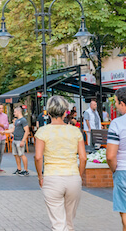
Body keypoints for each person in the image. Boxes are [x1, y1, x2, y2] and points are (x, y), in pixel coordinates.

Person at [35, 95, 87, 231]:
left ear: (49, 112)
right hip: (73, 177)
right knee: (69, 221)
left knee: (58, 223)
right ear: (65, 112)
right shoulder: (75, 131)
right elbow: (83, 158)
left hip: (52, 177)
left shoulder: (42, 132)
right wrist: (79, 175)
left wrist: (40, 176)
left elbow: (38, 157)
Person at [107, 86, 126, 231]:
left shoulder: (117, 123)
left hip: (125, 172)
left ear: (123, 104)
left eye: (117, 103)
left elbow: (111, 156)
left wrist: (115, 170)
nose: (117, 106)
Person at [7, 107, 30, 176]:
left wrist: (23, 141)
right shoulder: (17, 121)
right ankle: (19, 169)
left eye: (14, 112)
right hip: (15, 139)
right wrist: (3, 131)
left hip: (20, 140)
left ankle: (26, 170)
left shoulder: (23, 120)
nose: (14, 113)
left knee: (22, 154)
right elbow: (13, 129)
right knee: (16, 155)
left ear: (18, 112)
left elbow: (27, 131)